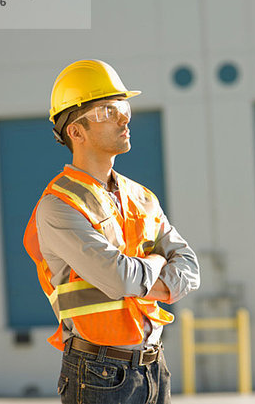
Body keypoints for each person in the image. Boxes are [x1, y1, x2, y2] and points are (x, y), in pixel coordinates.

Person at [23, 59, 200, 403]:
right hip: (97, 373)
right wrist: (160, 265)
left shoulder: (142, 196)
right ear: (76, 131)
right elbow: (119, 279)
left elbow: (191, 267)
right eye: (107, 110)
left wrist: (148, 280)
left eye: (123, 106)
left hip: (153, 367)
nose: (124, 118)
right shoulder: (59, 207)